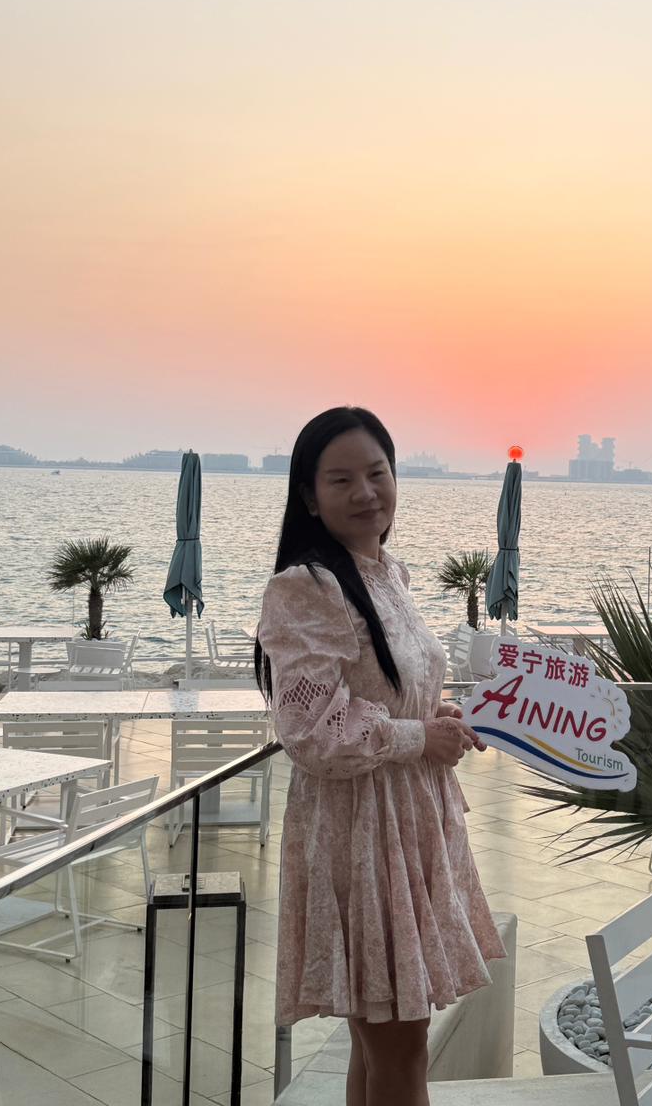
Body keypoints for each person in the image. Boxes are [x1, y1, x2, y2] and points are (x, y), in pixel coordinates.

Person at [256, 406, 506, 1106]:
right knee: (400, 1049)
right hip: (362, 833)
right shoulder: (307, 586)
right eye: (341, 480)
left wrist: (439, 720)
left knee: (384, 1045)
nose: (366, 491)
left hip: (407, 823)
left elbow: (388, 692)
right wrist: (415, 738)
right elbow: (308, 728)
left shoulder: (383, 571)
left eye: (377, 473)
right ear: (310, 496)